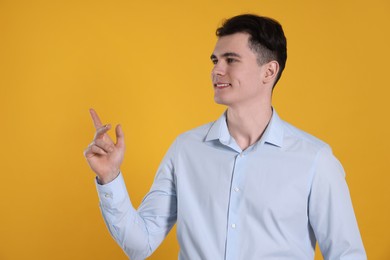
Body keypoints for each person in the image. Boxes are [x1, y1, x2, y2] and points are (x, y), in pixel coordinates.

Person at [84, 14, 366, 260]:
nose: (217, 70)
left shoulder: (314, 160)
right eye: (216, 60)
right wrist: (110, 178)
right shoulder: (186, 150)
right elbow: (140, 244)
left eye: (231, 60)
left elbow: (346, 255)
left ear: (269, 71)